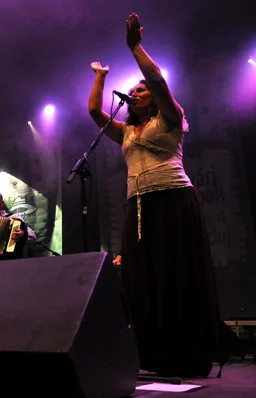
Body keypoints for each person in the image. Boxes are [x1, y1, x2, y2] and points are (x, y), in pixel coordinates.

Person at [87, 12, 224, 377]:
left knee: (174, 271)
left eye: (139, 91)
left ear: (153, 99)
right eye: (131, 92)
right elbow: (93, 112)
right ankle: (150, 352)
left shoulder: (170, 118)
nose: (135, 94)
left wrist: (135, 48)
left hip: (174, 198)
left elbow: (156, 78)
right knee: (140, 274)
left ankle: (186, 351)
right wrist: (100, 78)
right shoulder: (127, 131)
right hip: (139, 203)